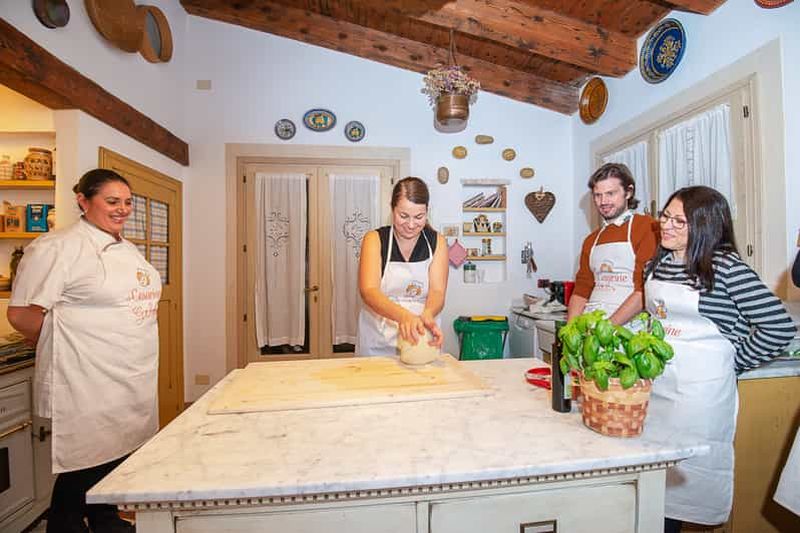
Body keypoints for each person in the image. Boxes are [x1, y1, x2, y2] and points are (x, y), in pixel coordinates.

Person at [7, 169, 162, 533]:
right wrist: (78, 339)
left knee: (117, 459)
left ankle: (106, 518)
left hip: (130, 374)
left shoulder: (128, 248)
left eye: (127, 202)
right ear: (83, 201)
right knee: (85, 465)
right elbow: (21, 314)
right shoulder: (59, 247)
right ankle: (65, 525)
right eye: (112, 201)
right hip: (87, 378)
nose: (122, 209)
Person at [643, 186, 796, 532]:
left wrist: (731, 363)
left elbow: (778, 327)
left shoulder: (726, 268)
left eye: (678, 221)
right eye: (665, 216)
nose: (666, 225)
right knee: (652, 481)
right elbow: (655, 320)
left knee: (687, 483)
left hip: (701, 395)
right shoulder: (659, 263)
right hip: (659, 388)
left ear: (705, 226)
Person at [356, 177, 448, 355]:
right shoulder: (374, 240)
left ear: (427, 212)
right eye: (403, 216)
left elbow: (437, 291)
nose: (411, 225)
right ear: (392, 209)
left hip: (421, 339)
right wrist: (404, 316)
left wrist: (428, 315)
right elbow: (369, 291)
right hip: (377, 341)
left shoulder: (437, 242)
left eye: (419, 217)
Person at [567, 163, 659, 325]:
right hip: (592, 324)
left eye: (610, 193)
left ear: (628, 192)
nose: (603, 201)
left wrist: (607, 328)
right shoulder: (591, 240)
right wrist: (571, 329)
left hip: (629, 327)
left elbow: (644, 290)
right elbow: (582, 289)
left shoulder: (647, 227)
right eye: (598, 195)